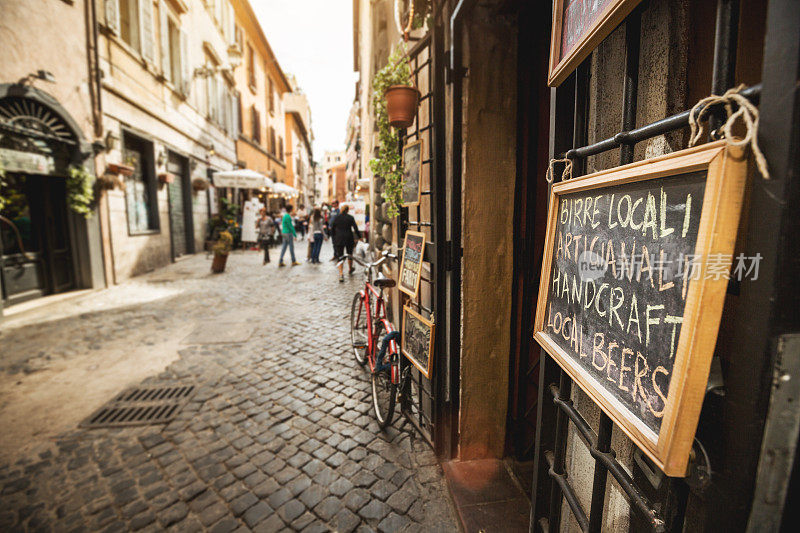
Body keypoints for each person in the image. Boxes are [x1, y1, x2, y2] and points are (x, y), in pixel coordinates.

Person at [330, 204, 361, 282]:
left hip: (339, 238)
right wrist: (360, 236)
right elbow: (355, 228)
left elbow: (332, 229)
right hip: (348, 237)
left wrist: (333, 238)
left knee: (340, 256)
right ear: (347, 210)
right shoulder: (350, 218)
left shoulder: (336, 218)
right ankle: (350, 269)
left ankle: (341, 274)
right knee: (349, 254)